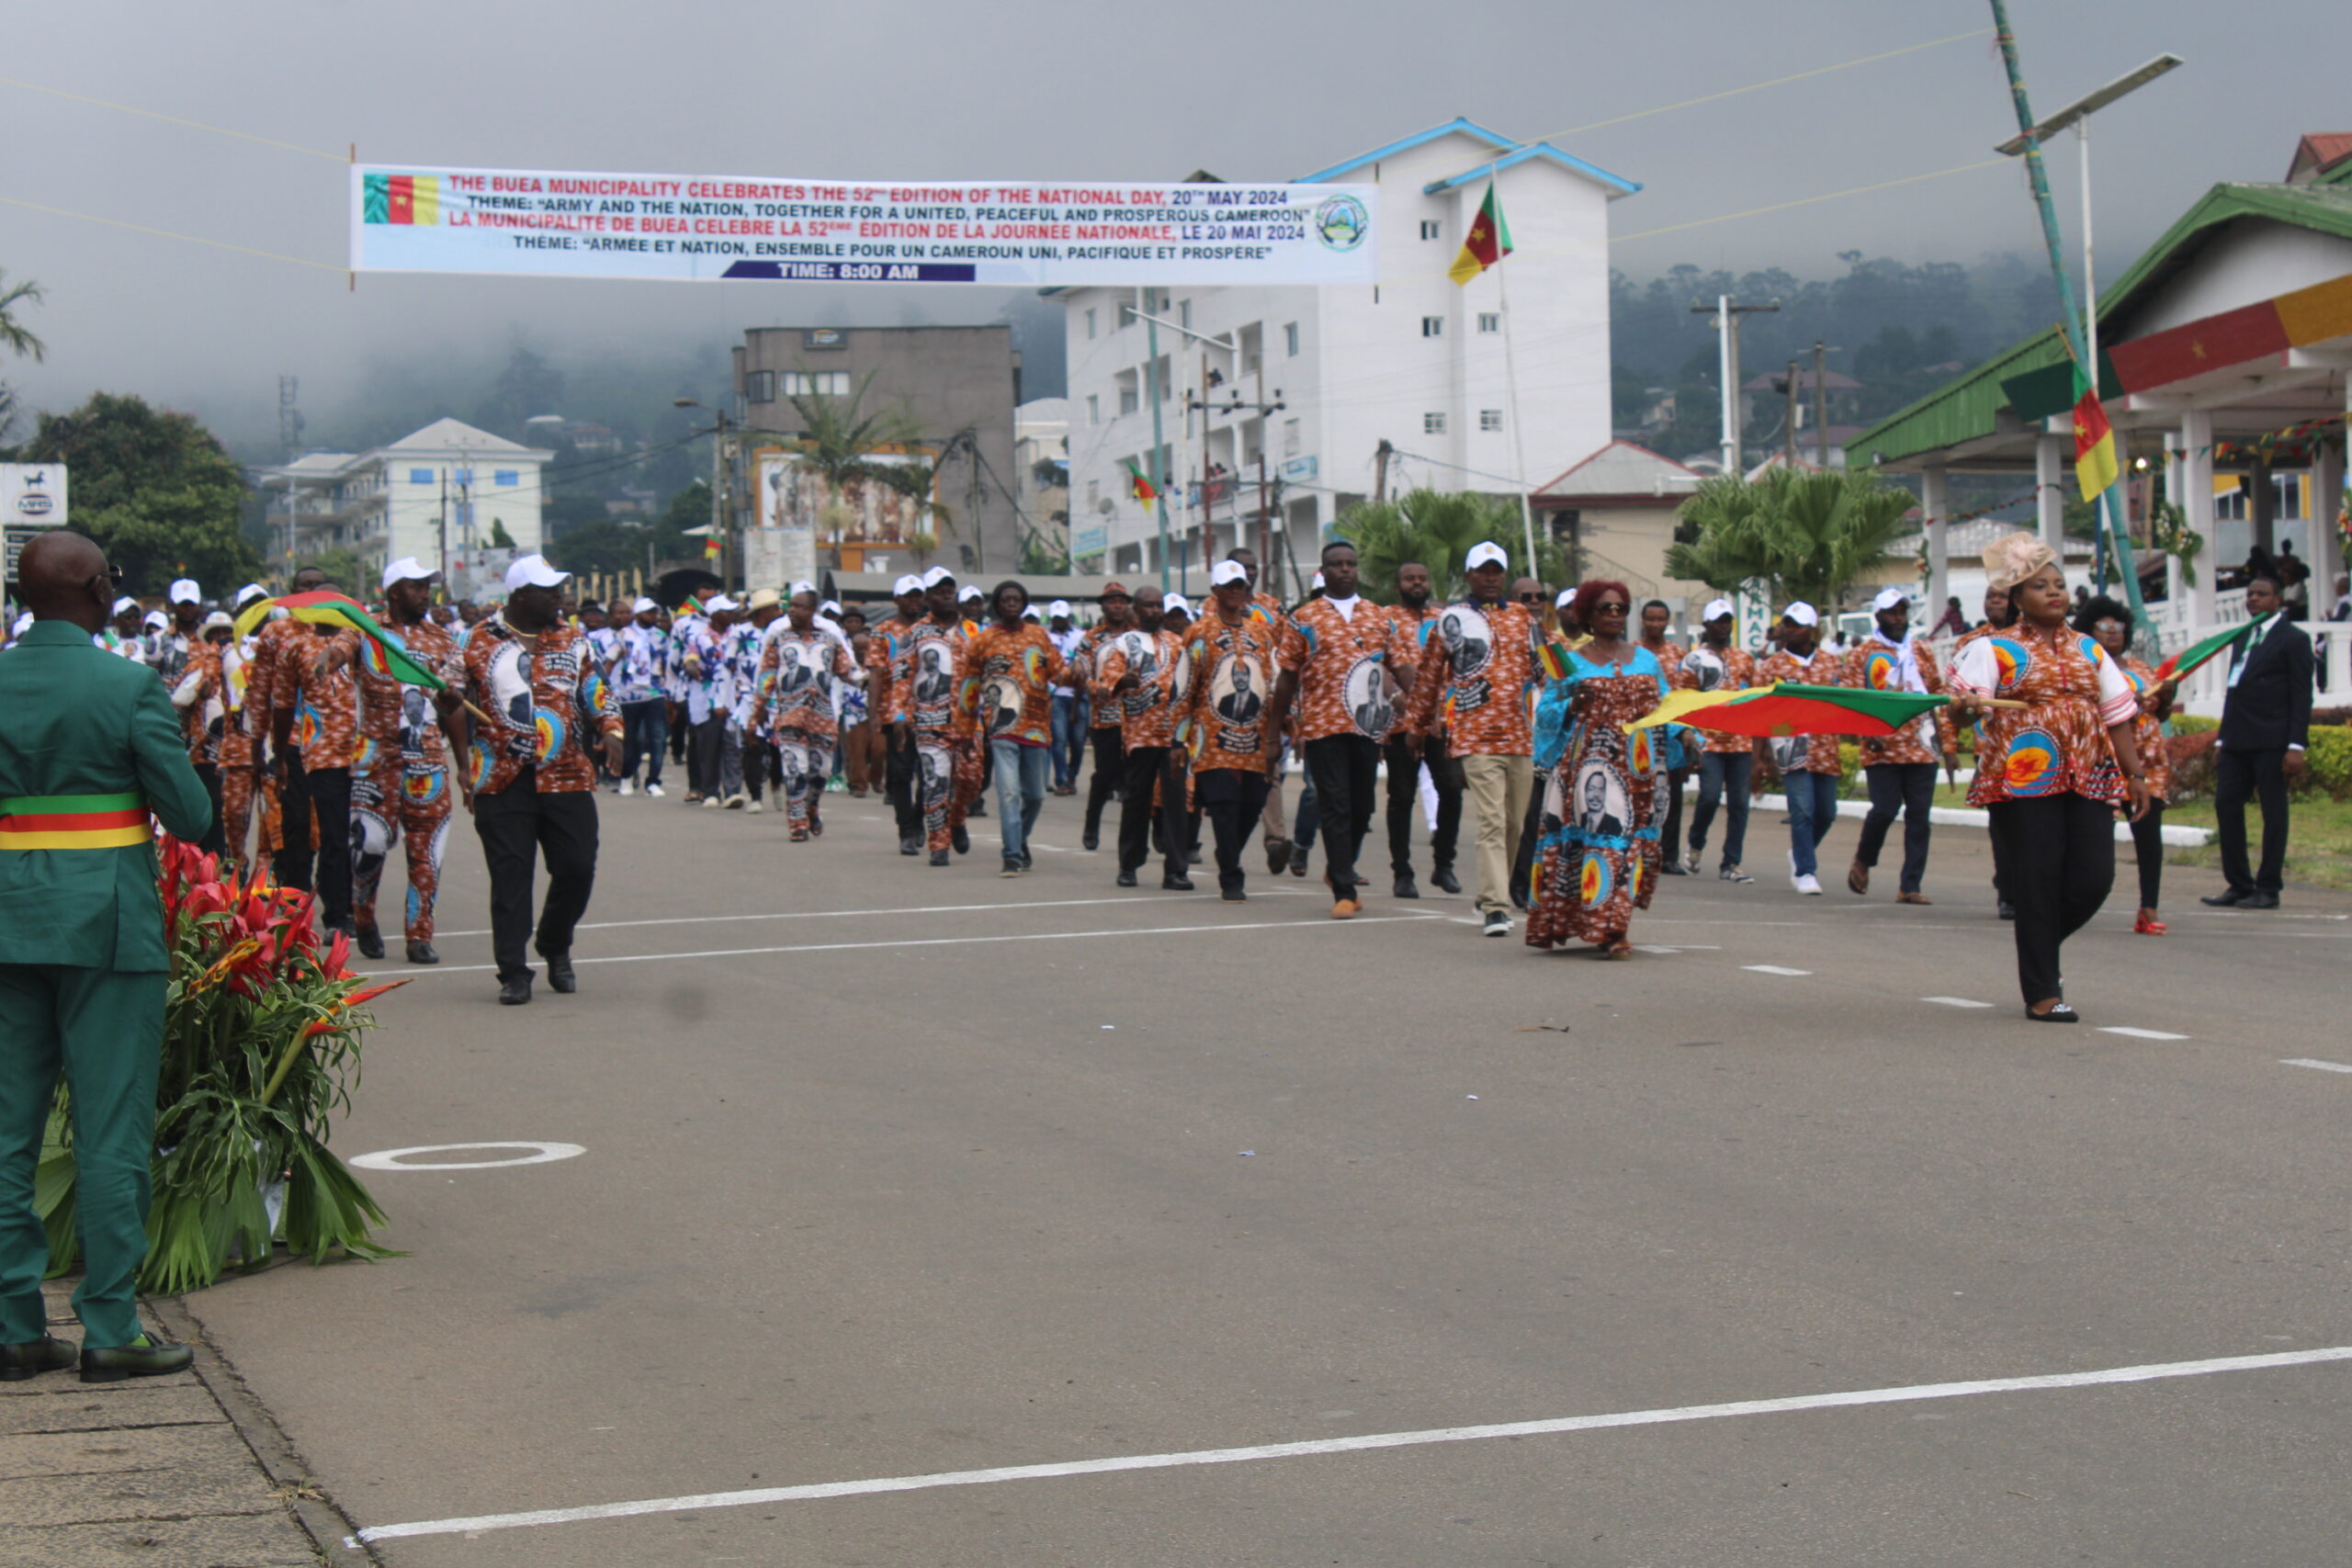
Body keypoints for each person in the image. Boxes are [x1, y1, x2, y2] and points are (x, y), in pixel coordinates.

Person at [0, 530, 213, 1382]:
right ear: (96, 590)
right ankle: (111, 1328)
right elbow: (191, 815)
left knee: (6, 1133)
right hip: (108, 929)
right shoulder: (127, 686)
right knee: (109, 1130)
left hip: (8, 923)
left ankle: (14, 1328)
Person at [1947, 533, 2151, 1021]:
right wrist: (1965, 707)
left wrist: (2136, 775)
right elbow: (1960, 711)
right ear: (2018, 598)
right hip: (2023, 776)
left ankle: (2038, 947)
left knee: (2095, 878)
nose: (2054, 592)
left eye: (2058, 584)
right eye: (2040, 586)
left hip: (2089, 772)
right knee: (2037, 879)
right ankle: (2042, 992)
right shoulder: (1992, 649)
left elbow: (2117, 715)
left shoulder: (2090, 650)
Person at [445, 556, 624, 1006]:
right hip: (501, 777)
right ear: (520, 596)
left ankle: (554, 941)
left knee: (577, 867)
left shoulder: (573, 638)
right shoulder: (474, 639)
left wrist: (611, 730)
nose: (560, 598)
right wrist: (445, 703)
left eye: (560, 589)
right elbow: (447, 698)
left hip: (567, 772)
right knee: (511, 876)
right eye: (550, 591)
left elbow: (596, 689)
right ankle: (513, 971)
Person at [1266, 539, 1417, 918]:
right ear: (1324, 570)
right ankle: (1345, 891)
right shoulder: (1304, 618)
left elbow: (1401, 666)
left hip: (1367, 728)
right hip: (1323, 727)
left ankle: (1339, 868)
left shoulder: (1379, 616)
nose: (1346, 569)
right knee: (1335, 803)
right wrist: (1274, 732)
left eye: (1351, 563)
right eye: (1337, 564)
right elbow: (1286, 678)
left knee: (1362, 807)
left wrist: (1424, 706)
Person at [1403, 542, 1544, 936]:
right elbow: (1429, 676)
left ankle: (1488, 891)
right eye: (1483, 571)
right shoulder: (1452, 619)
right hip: (1475, 735)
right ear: (1469, 575)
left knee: (1515, 824)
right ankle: (1496, 907)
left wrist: (1576, 684)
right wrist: (1416, 727)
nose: (1491, 578)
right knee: (1492, 821)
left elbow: (1549, 664)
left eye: (1497, 571)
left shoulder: (1523, 617)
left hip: (1521, 735)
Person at [329, 559, 462, 964]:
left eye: (427, 586)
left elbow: (452, 701)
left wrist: (464, 764)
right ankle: (363, 912)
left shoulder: (442, 638)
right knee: (369, 845)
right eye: (416, 586)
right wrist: (329, 657)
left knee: (428, 853)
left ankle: (419, 935)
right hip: (375, 760)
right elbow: (340, 648)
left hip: (428, 761)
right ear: (393, 591)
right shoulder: (366, 630)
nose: (425, 594)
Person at [1526, 581, 1669, 957]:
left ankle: (1613, 925)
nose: (1614, 614)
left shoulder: (1646, 660)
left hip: (1640, 773)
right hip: (1590, 771)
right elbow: (1546, 714)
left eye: (1621, 608)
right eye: (1606, 608)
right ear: (1588, 614)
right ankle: (1604, 929)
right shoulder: (1566, 660)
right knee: (1602, 843)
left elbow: (1668, 706)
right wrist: (1571, 705)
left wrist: (1687, 737)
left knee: (1631, 847)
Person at [2200, 573, 2315, 910]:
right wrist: (2222, 740)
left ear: (2278, 600)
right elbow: (2234, 691)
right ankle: (2238, 883)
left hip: (2273, 741)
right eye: (2250, 594)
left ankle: (2268, 887)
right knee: (2226, 805)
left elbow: (2302, 695)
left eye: (2261, 594)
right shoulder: (2243, 636)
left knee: (2273, 813)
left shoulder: (2293, 639)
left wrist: (2296, 745)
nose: (2253, 599)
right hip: (2237, 740)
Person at [259, 570, 362, 933]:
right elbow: (283, 705)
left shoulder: (359, 640)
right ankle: (300, 909)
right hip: (309, 752)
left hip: (358, 755)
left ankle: (341, 913)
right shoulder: (295, 647)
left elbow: (351, 656)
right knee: (303, 831)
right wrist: (277, 754)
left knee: (343, 836)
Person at [1177, 561, 1283, 900]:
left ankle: (1228, 851)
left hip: (1255, 736)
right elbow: (1184, 687)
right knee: (1223, 805)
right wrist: (1177, 739)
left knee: (1252, 804)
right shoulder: (1199, 632)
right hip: (1211, 736)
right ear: (1215, 591)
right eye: (1230, 585)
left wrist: (1287, 722)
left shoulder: (1261, 633)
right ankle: (1231, 876)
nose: (1237, 591)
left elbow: (1275, 681)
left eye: (1241, 585)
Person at [1844, 588, 1956, 905]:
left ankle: (1910, 885)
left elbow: (1939, 697)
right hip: (1882, 747)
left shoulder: (1921, 651)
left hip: (1922, 746)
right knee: (1884, 810)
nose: (1898, 618)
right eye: (1892, 613)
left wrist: (1948, 747)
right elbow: (1851, 699)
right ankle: (1864, 858)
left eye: (1902, 612)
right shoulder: (1862, 654)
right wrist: (1867, 733)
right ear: (1878, 616)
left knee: (1919, 816)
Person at [2075, 595, 2177, 934]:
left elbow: (2160, 713)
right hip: (2104, 763)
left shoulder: (2141, 669)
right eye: (2104, 626)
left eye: (2118, 625)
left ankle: (2148, 908)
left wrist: (2167, 697)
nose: (2113, 631)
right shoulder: (2084, 668)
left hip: (2149, 766)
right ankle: (2081, 901)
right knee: (2096, 842)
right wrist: (2121, 702)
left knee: (2149, 838)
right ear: (2089, 631)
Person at [958, 581, 1068, 876]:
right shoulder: (982, 640)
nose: (1011, 603)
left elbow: (1059, 671)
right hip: (1002, 728)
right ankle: (1012, 856)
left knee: (1036, 796)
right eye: (1005, 599)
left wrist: (1084, 678)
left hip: (1036, 728)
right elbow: (969, 688)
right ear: (997, 604)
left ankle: (1019, 839)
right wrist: (965, 731)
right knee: (1009, 793)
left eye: (1016, 599)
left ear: (1023, 603)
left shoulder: (1038, 635)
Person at [752, 586, 860, 842]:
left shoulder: (829, 638)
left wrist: (867, 679)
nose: (792, 610)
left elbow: (847, 669)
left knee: (821, 772)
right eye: (791, 605)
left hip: (823, 715)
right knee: (795, 769)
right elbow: (766, 675)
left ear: (812, 610)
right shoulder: (779, 637)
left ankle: (812, 806)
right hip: (790, 714)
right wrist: (757, 711)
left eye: (799, 606)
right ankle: (797, 823)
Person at [1383, 562, 1463, 899]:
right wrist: (1407, 706)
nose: (1417, 583)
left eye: (1422, 578)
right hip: (1400, 722)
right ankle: (1402, 872)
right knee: (1401, 797)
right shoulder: (1386, 618)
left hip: (1441, 723)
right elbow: (1382, 667)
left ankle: (1444, 864)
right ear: (1397, 585)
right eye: (1409, 579)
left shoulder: (1444, 618)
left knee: (1452, 789)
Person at [893, 567, 980, 866]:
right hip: (930, 721)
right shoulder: (913, 634)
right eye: (939, 591)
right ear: (928, 597)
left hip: (970, 722)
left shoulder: (974, 631)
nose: (946, 595)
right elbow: (901, 678)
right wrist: (899, 717)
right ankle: (938, 844)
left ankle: (957, 819)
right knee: (935, 782)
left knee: (971, 779)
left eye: (949, 590)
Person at [1101, 590, 1189, 889]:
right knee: (1136, 802)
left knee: (1176, 802)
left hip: (1174, 737)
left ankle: (1176, 871)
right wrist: (1122, 681)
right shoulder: (1124, 643)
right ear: (1135, 610)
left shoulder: (1177, 642)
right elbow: (1108, 680)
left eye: (1158, 605)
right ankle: (1129, 865)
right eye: (1148, 606)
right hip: (1140, 736)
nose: (1155, 611)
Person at [1758, 602, 1845, 896]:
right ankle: (1806, 871)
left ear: (1812, 630)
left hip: (1825, 746)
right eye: (1787, 624)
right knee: (1802, 810)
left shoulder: (1832, 663)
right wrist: (1764, 753)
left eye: (1797, 625)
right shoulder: (1772, 666)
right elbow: (1761, 710)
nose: (1790, 630)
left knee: (1826, 813)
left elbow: (1844, 702)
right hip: (1790, 747)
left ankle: (1798, 853)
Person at [1673, 600, 1759, 882]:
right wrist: (1687, 733)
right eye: (1718, 621)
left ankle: (1731, 863)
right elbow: (1683, 699)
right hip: (1708, 741)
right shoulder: (1694, 660)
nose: (1723, 626)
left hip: (1741, 741)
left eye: (1727, 621)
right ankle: (1696, 843)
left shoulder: (1744, 658)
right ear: (1706, 625)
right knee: (1709, 797)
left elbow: (1755, 698)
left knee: (1739, 804)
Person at [1955, 581, 2023, 919]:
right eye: (1989, 596)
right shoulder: (1971, 643)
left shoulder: (2031, 641)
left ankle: (2022, 883)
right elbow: (1954, 699)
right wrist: (1951, 744)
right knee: (2003, 825)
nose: (1995, 602)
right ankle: (2008, 892)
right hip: (1992, 750)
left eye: (2002, 596)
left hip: (2033, 746)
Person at [1075, 583, 1136, 852]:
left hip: (1136, 716)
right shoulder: (1091, 639)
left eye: (1122, 601)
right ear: (1103, 605)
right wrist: (1096, 688)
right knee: (1105, 774)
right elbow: (1082, 673)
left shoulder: (1137, 635)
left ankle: (1144, 834)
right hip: (1105, 715)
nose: (1117, 606)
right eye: (1112, 601)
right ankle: (1092, 822)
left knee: (1137, 778)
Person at [870, 576, 929, 854]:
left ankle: (918, 819)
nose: (914, 601)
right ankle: (906, 830)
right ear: (897, 599)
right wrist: (873, 714)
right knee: (901, 774)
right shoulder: (882, 633)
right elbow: (875, 675)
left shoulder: (930, 630)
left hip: (930, 710)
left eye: (918, 595)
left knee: (930, 773)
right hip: (895, 712)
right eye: (908, 596)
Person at [1635, 601, 1690, 874]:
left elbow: (1685, 697)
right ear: (1642, 620)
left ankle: (1669, 856)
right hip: (1642, 738)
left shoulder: (1679, 655)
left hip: (1671, 738)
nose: (1655, 624)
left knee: (1672, 798)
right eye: (1650, 619)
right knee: (1642, 795)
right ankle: (1639, 851)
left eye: (1660, 619)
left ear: (1667, 622)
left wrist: (1687, 733)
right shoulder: (1633, 653)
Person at [613, 598, 670, 797]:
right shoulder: (624, 634)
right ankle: (627, 777)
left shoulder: (660, 636)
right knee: (632, 739)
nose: (653, 616)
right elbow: (612, 660)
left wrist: (669, 690)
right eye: (648, 612)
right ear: (638, 615)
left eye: (655, 612)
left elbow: (667, 663)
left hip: (655, 692)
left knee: (658, 738)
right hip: (629, 694)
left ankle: (653, 781)